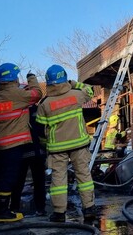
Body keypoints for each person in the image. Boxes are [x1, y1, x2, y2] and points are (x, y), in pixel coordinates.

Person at [36, 65, 97, 223]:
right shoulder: (77, 95)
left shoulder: (44, 104)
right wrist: (74, 83)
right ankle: (89, 209)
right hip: (79, 144)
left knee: (58, 180)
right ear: (64, 78)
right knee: (84, 176)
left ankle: (59, 213)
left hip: (57, 149)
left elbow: (41, 129)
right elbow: (91, 90)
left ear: (48, 82)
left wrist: (46, 144)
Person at [0, 63, 43, 223]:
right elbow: (37, 94)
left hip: (0, 146)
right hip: (15, 145)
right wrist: (31, 78)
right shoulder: (17, 95)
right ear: (13, 77)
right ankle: (3, 213)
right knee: (9, 178)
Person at [9, 104, 47, 217]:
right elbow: (43, 130)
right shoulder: (39, 109)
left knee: (18, 182)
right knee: (39, 182)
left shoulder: (17, 109)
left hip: (21, 151)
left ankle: (14, 208)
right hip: (37, 151)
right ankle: (40, 209)